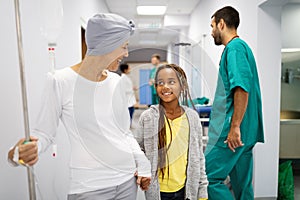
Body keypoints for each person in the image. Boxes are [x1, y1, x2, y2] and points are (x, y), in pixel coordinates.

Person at [7, 13, 151, 200]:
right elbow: (44, 134)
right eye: (123, 47)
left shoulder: (115, 81)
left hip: (126, 181)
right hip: (89, 187)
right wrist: (20, 152)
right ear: (106, 45)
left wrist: (142, 163)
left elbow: (124, 132)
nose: (126, 54)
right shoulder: (61, 81)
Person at [205, 6, 264, 200]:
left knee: (208, 179)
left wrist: (234, 127)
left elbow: (241, 88)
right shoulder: (242, 47)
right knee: (242, 184)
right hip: (247, 130)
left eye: (213, 26)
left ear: (221, 24)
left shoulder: (235, 49)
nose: (212, 31)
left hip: (232, 130)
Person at [135, 64, 208, 200]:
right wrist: (142, 172)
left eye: (171, 82)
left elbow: (198, 157)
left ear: (182, 86)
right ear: (156, 87)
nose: (165, 87)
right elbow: (138, 150)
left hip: (186, 191)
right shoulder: (148, 117)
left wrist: (202, 192)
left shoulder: (192, 118)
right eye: (160, 83)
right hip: (157, 192)